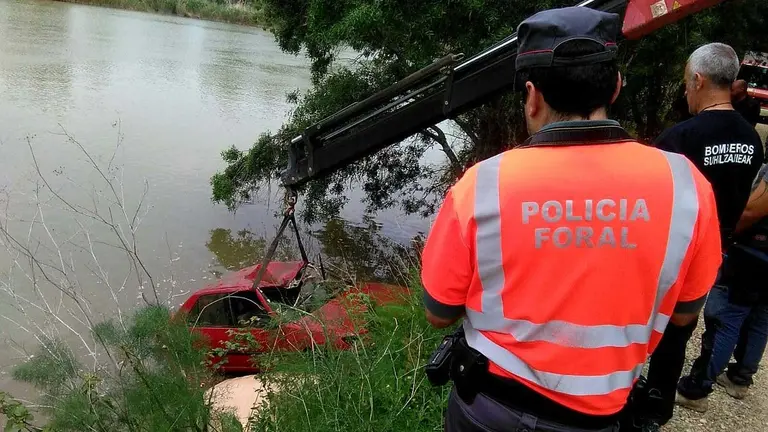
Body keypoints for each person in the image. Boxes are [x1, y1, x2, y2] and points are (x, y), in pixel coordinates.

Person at [419, 7, 722, 432]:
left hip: (492, 411)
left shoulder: (482, 185)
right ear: (615, 86)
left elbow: (438, 311)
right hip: (603, 416)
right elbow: (685, 313)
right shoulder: (687, 185)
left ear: (532, 95)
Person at [633, 42, 764, 430]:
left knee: (640, 323)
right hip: (713, 253)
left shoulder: (680, 139)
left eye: (687, 83)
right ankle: (657, 405)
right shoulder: (751, 140)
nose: (686, 91)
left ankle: (620, 391)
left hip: (669, 254)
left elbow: (653, 203)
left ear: (699, 79)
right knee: (680, 329)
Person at [675, 163, 768, 410]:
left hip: (753, 253)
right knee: (760, 318)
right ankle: (740, 378)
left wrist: (722, 238)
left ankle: (697, 388)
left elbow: (751, 210)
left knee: (726, 319)